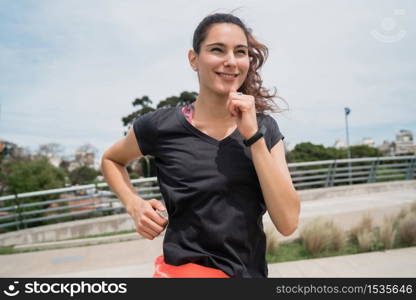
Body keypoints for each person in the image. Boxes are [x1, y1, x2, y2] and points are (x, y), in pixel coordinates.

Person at [101, 12, 300, 278]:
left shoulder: (265, 129)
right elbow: (111, 160)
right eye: (217, 50)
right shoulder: (160, 126)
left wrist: (252, 137)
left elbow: (287, 223)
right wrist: (133, 203)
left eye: (240, 52)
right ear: (194, 59)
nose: (230, 61)